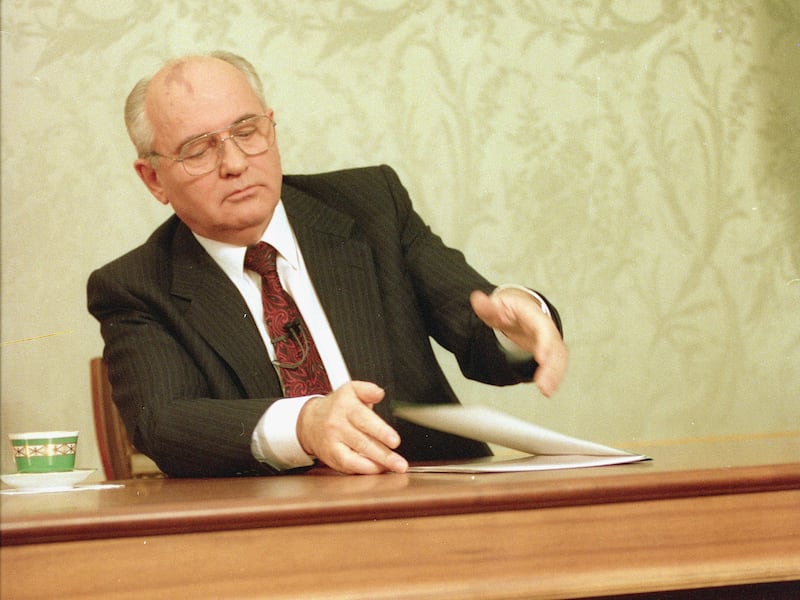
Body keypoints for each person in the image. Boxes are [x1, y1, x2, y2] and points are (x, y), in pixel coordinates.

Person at [87, 51, 568, 478]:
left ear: (271, 129)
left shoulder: (369, 206)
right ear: (153, 179)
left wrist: (517, 331)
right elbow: (165, 422)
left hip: (431, 501)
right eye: (198, 150)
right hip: (272, 538)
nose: (234, 162)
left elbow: (477, 327)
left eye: (247, 132)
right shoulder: (135, 286)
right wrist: (304, 425)